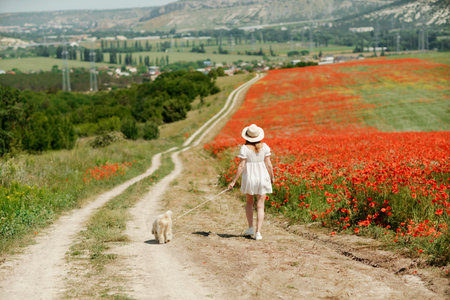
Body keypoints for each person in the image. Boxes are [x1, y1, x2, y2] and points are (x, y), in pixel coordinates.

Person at [228, 124, 274, 240]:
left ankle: (250, 228)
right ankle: (258, 232)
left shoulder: (244, 148)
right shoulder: (265, 147)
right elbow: (269, 165)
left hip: (250, 178)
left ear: (247, 137)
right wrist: (272, 177)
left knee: (249, 202)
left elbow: (241, 166)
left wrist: (233, 181)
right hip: (263, 177)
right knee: (260, 205)